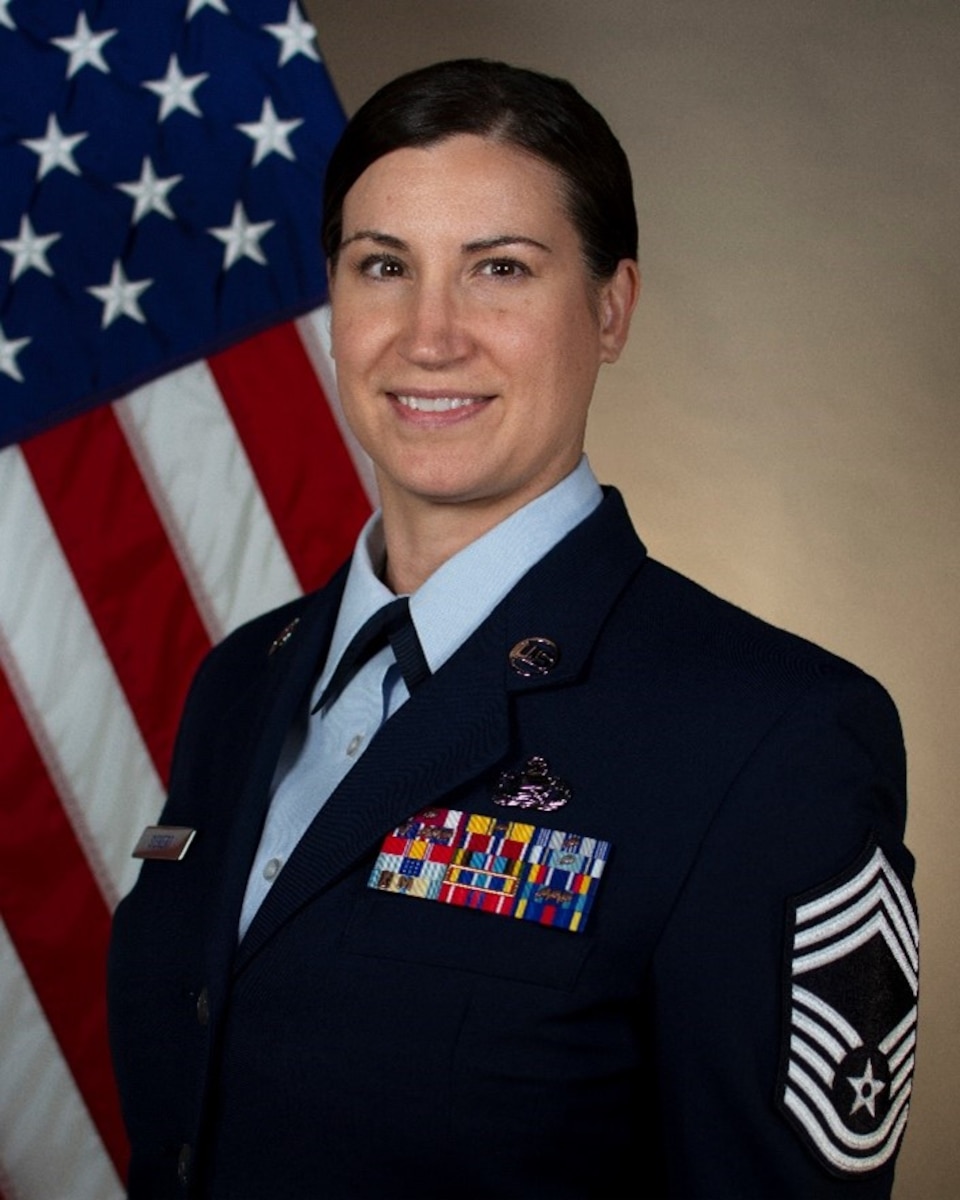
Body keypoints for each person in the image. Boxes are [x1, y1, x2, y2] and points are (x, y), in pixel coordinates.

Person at [108, 59, 918, 1199]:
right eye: (383, 266)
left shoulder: (768, 739)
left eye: (500, 270)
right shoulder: (244, 679)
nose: (430, 336)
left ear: (611, 308)